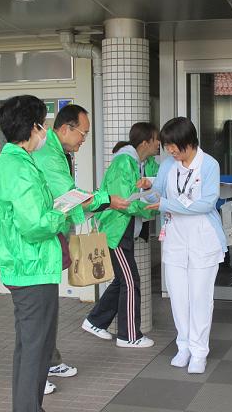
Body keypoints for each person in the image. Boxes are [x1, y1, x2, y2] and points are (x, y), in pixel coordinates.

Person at [33, 104, 130, 394]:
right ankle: (35, 374)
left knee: (46, 308)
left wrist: (86, 213)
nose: (83, 140)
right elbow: (68, 195)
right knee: (36, 313)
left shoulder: (56, 151)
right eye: (83, 133)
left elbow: (66, 198)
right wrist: (105, 201)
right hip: (35, 244)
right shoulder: (47, 154)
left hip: (49, 236)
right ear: (65, 128)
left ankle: (49, 361)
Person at [0, 95, 69, 412]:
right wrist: (64, 211)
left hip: (19, 266)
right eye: (43, 125)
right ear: (34, 127)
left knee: (28, 346)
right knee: (37, 349)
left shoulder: (5, 164)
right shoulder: (19, 168)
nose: (45, 131)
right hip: (32, 266)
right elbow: (36, 224)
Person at [139, 116, 226, 374]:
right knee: (178, 297)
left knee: (200, 298)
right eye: (167, 146)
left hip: (203, 238)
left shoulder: (209, 165)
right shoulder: (168, 165)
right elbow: (159, 193)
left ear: (188, 141)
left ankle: (199, 351)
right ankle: (184, 345)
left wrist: (165, 203)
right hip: (175, 238)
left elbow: (207, 203)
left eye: (174, 146)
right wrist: (148, 187)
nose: (170, 150)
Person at [82, 122, 160, 348]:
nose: (159, 145)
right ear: (145, 142)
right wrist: (152, 205)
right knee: (130, 280)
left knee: (123, 278)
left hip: (124, 229)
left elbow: (159, 182)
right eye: (156, 140)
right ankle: (129, 336)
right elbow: (122, 202)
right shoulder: (123, 162)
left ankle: (95, 320)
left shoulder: (144, 162)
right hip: (115, 230)